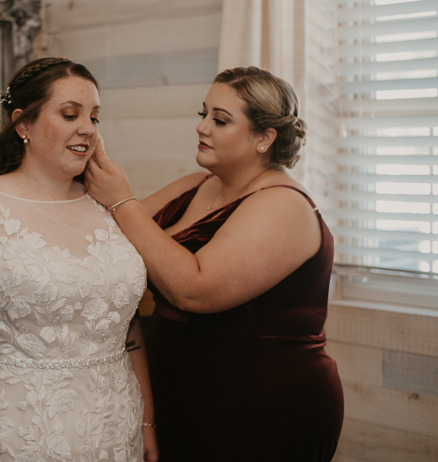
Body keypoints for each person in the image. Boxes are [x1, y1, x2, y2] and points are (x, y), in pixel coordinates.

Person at [85, 67, 343, 461]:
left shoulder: (283, 206)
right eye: (203, 113)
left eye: (219, 120)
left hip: (260, 404)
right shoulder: (196, 185)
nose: (201, 128)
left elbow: (194, 290)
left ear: (264, 138)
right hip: (184, 394)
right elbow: (111, 236)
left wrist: (122, 199)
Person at [0, 58, 159, 462]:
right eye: (70, 114)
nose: (88, 129)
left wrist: (146, 420)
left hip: (114, 432)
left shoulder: (108, 205)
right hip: (6, 437)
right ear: (23, 124)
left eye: (94, 117)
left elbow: (127, 324)